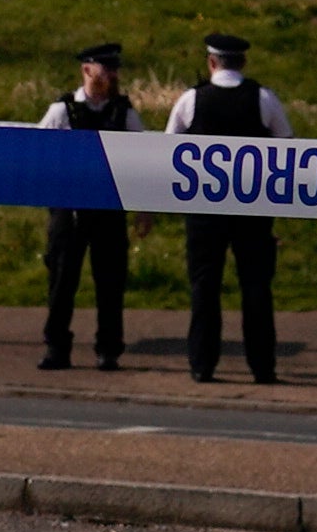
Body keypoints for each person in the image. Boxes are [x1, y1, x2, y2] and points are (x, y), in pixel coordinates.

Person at [166, 29, 291, 386]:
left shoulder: (191, 100)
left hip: (204, 212)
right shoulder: (263, 99)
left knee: (204, 287)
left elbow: (166, 151)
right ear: (244, 62)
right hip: (253, 211)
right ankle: (262, 366)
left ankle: (202, 365)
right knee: (256, 287)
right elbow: (287, 147)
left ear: (211, 62)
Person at [31, 44, 144, 370]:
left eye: (114, 68)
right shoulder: (63, 111)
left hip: (109, 210)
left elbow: (143, 161)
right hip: (70, 211)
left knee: (110, 283)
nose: (111, 74)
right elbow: (39, 153)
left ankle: (109, 349)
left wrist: (143, 209)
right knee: (62, 281)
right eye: (104, 67)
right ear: (86, 70)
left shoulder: (124, 113)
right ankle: (56, 347)